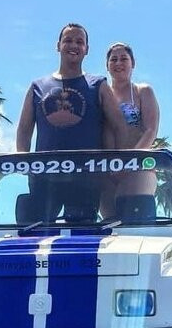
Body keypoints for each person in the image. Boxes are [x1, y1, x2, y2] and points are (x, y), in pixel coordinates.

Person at [15, 23, 111, 222]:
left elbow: (117, 126)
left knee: (81, 239)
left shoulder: (99, 84)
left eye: (79, 41)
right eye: (68, 40)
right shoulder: (37, 86)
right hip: (44, 176)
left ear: (87, 49)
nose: (73, 45)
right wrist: (24, 162)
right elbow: (24, 129)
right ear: (58, 45)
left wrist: (114, 166)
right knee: (35, 237)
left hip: (86, 176)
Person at [100, 41, 161, 220]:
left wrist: (130, 162)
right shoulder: (101, 95)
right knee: (111, 224)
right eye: (114, 60)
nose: (119, 63)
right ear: (107, 65)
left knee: (134, 214)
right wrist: (111, 167)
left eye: (124, 59)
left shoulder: (143, 91)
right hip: (108, 169)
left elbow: (151, 129)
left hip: (138, 166)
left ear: (132, 63)